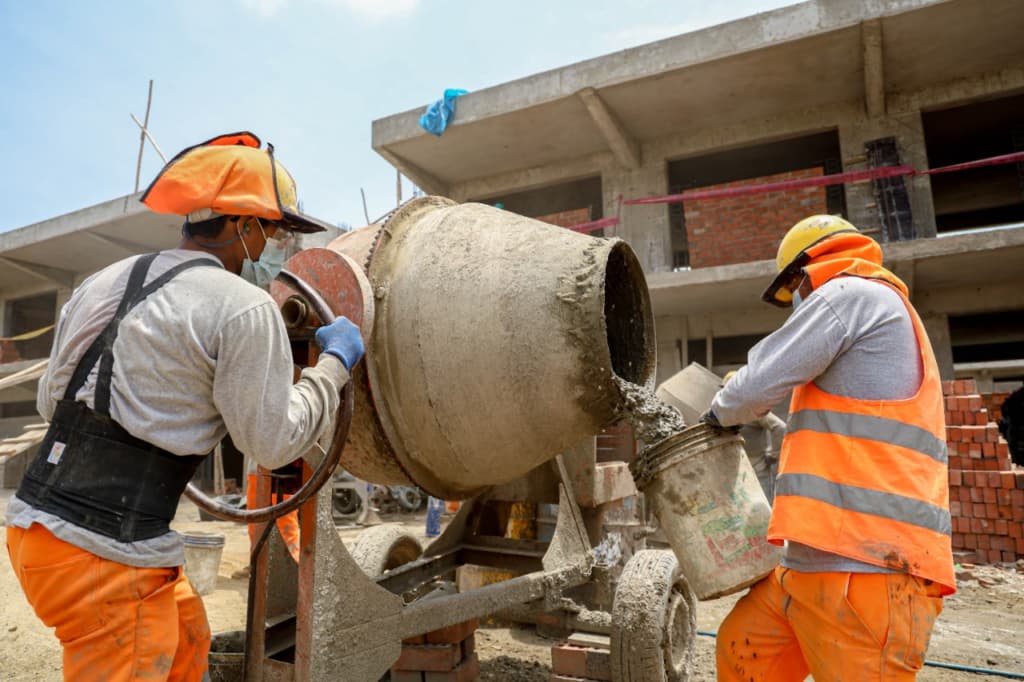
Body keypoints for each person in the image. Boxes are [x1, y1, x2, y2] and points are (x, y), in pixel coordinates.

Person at [4, 132, 365, 682]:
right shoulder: (245, 308)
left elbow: (50, 398)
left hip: (37, 534)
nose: (273, 250)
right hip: (105, 557)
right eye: (271, 232)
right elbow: (272, 440)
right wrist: (333, 366)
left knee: (188, 638)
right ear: (242, 227)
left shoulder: (100, 281)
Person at [702, 215, 955, 681]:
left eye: (792, 288)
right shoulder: (870, 311)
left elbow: (754, 388)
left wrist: (718, 411)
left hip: (870, 573)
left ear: (806, 269)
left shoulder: (851, 294)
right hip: (811, 564)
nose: (796, 302)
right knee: (744, 650)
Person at [723, 369, 786, 504]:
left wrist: (774, 454)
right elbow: (780, 428)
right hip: (744, 470)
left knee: (756, 511)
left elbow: (780, 428)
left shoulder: (727, 411)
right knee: (757, 512)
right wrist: (774, 454)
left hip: (747, 469)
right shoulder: (748, 410)